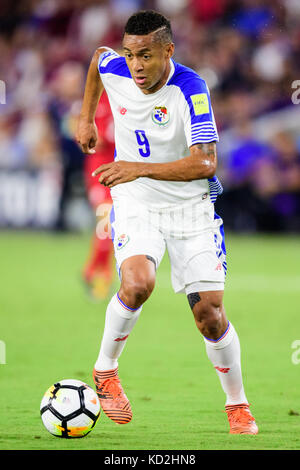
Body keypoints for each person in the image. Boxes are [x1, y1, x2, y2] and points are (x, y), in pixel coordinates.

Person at [76, 10, 258, 435]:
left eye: (145, 55)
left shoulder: (191, 89)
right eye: (130, 54)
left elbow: (205, 161)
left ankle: (237, 404)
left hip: (191, 209)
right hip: (137, 203)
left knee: (210, 316)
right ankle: (105, 371)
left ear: (167, 51)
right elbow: (97, 60)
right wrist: (86, 118)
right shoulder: (115, 66)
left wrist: (139, 167)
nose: (135, 65)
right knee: (138, 283)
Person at [82, 91, 115, 300]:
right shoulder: (98, 101)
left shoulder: (125, 97)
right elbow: (96, 139)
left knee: (111, 228)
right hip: (99, 174)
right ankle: (99, 274)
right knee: (107, 224)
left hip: (119, 173)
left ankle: (93, 271)